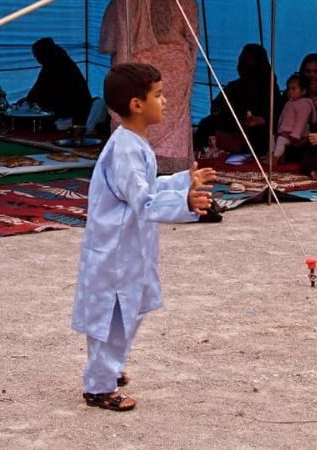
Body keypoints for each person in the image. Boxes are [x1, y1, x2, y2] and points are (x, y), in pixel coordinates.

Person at [71, 63, 214, 411]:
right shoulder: (125, 150)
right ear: (137, 104)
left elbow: (146, 188)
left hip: (129, 246)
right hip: (116, 251)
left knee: (129, 311)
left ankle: (109, 367)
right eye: (159, 95)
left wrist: (183, 181)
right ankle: (99, 385)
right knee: (113, 317)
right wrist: (185, 201)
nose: (165, 101)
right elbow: (144, 199)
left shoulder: (134, 144)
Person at [101, 0, 199, 172]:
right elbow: (193, 39)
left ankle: (135, 162)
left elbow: (119, 34)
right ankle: (169, 165)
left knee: (138, 110)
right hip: (176, 68)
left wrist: (123, 63)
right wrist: (187, 66)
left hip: (140, 67)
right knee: (172, 120)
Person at [195, 43, 282, 156]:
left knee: (262, 133)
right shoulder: (234, 86)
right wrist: (233, 118)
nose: (245, 63)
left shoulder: (270, 86)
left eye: (250, 59)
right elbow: (217, 106)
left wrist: (261, 119)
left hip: (258, 129)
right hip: (233, 125)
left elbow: (277, 112)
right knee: (206, 123)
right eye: (243, 59)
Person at [19, 37, 93, 124]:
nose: (37, 59)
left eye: (37, 56)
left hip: (72, 114)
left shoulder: (55, 65)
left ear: (44, 53)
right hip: (77, 109)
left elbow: (39, 90)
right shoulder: (59, 61)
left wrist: (27, 101)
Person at [270, 73, 316, 164]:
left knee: (281, 141)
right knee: (272, 138)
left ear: (303, 91)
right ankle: (272, 155)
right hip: (285, 132)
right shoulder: (290, 103)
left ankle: (275, 159)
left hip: (298, 135)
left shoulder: (304, 105)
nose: (290, 91)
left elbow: (301, 122)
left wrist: (295, 135)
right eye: (289, 89)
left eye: (293, 89)